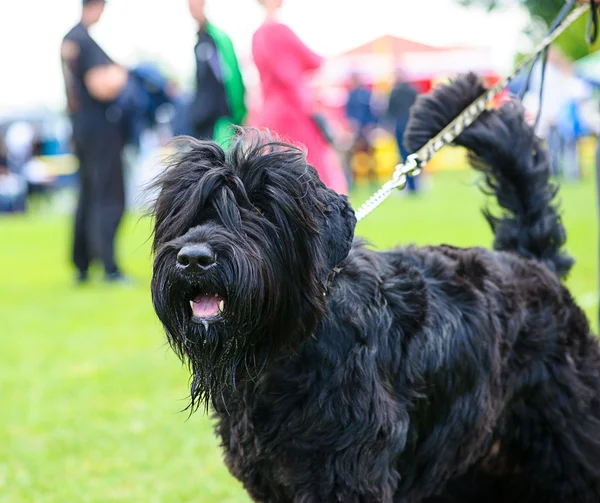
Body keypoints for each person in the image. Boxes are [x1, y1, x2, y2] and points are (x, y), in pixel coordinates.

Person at [61, 0, 129, 284]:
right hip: (100, 131)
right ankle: (109, 267)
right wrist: (122, 74)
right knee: (108, 196)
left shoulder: (70, 39)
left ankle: (83, 265)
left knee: (88, 196)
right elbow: (100, 86)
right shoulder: (83, 40)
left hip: (81, 128)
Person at [252, 0, 348, 194]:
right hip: (292, 111)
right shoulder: (279, 31)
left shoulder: (257, 36)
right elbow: (311, 62)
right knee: (316, 176)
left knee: (276, 181)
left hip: (269, 116)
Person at [187, 0, 246, 143]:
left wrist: (240, 115)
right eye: (190, 6)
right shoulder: (199, 41)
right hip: (203, 124)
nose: (192, 10)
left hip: (222, 121)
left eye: (195, 5)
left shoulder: (218, 39)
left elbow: (232, 78)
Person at [386, 71, 419, 192]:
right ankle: (414, 184)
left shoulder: (394, 92)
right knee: (414, 155)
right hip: (412, 126)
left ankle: (408, 184)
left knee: (403, 156)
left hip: (400, 127)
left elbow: (389, 112)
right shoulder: (413, 91)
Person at [345, 73, 378, 187]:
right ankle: (352, 182)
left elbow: (372, 111)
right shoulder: (351, 95)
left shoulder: (366, 94)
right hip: (355, 130)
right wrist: (351, 124)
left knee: (370, 155)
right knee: (351, 156)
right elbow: (348, 112)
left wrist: (370, 125)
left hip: (365, 129)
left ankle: (373, 180)